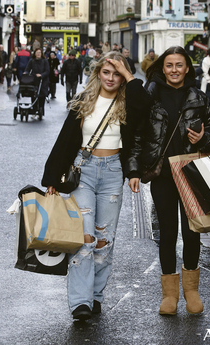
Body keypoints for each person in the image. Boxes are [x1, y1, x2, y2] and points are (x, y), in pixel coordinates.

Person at [110, 46, 210, 316]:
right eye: (169, 65)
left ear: (187, 69)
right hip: (162, 174)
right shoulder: (150, 95)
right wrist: (134, 170)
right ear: (163, 68)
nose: (174, 70)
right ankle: (169, 295)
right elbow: (136, 133)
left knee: (192, 231)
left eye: (179, 65)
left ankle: (192, 291)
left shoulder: (198, 96)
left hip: (192, 173)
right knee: (168, 234)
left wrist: (204, 139)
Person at [41, 51, 133, 321]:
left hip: (114, 172)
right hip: (84, 171)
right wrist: (52, 180)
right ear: (97, 73)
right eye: (106, 72)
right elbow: (64, 141)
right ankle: (80, 302)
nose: (111, 78)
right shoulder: (83, 102)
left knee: (104, 241)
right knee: (85, 239)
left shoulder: (129, 103)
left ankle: (95, 296)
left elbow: (146, 104)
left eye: (117, 73)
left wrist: (129, 76)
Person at [24, 48, 50, 117]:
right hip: (34, 80)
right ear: (35, 53)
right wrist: (25, 73)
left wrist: (41, 75)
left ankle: (41, 111)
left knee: (41, 97)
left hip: (43, 81)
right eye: (37, 52)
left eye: (39, 52)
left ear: (41, 54)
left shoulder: (45, 61)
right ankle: (34, 111)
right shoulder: (32, 61)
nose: (38, 54)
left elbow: (47, 71)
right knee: (34, 95)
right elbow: (27, 69)